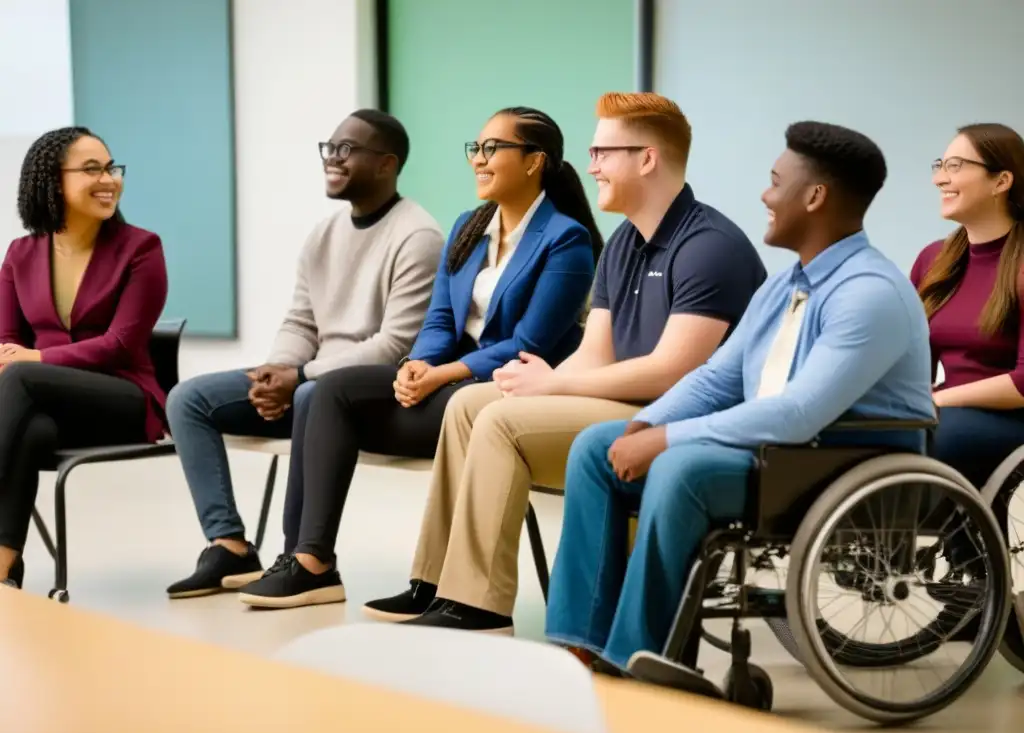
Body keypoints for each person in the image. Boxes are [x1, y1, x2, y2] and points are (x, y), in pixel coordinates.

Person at [364, 92, 767, 632]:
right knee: (468, 405)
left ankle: (477, 603)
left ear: (647, 158)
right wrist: (538, 380)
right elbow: (594, 352)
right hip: (622, 401)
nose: (590, 165)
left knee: (502, 421)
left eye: (603, 152)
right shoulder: (624, 242)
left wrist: (551, 386)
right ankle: (439, 584)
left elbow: (674, 372)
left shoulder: (709, 245)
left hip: (677, 416)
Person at [544, 121, 935, 671]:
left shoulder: (870, 294)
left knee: (682, 469)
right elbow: (718, 379)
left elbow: (799, 412)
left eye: (776, 182)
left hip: (837, 463)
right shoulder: (784, 284)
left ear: (815, 196)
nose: (764, 195)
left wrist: (666, 439)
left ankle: (642, 650)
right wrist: (647, 423)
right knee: (594, 448)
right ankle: (578, 640)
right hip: (774, 453)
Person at [236, 106, 600, 608]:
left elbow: (527, 346)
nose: (478, 159)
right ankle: (307, 560)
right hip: (444, 386)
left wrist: (440, 374)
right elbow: (439, 319)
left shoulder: (566, 241)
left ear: (535, 161)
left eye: (492, 148)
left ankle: (329, 567)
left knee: (345, 397)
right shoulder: (469, 228)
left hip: (494, 396)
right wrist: (417, 365)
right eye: (476, 148)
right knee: (322, 391)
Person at [166, 110, 444, 598]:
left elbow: (395, 345)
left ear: (386, 164)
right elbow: (301, 321)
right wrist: (273, 374)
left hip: (360, 393)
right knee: (188, 399)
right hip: (307, 381)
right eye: (329, 148)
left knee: (314, 394)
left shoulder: (418, 236)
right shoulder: (324, 234)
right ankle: (229, 545)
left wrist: (300, 375)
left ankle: (305, 560)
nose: (332, 159)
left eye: (347, 150)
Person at [0, 127, 168, 588]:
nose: (109, 179)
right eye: (91, 169)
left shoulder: (141, 248)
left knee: (18, 379)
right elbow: (6, 340)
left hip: (123, 398)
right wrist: (20, 359)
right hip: (46, 404)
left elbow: (121, 346)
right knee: (31, 429)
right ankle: (4, 563)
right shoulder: (20, 254)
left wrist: (35, 359)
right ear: (53, 181)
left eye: (111, 168)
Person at [911, 123, 1024, 489]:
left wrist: (939, 399)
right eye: (939, 166)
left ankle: (961, 547)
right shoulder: (933, 259)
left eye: (955, 166)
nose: (940, 179)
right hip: (949, 412)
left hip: (1011, 419)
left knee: (936, 436)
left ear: (1001, 181)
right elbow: (913, 362)